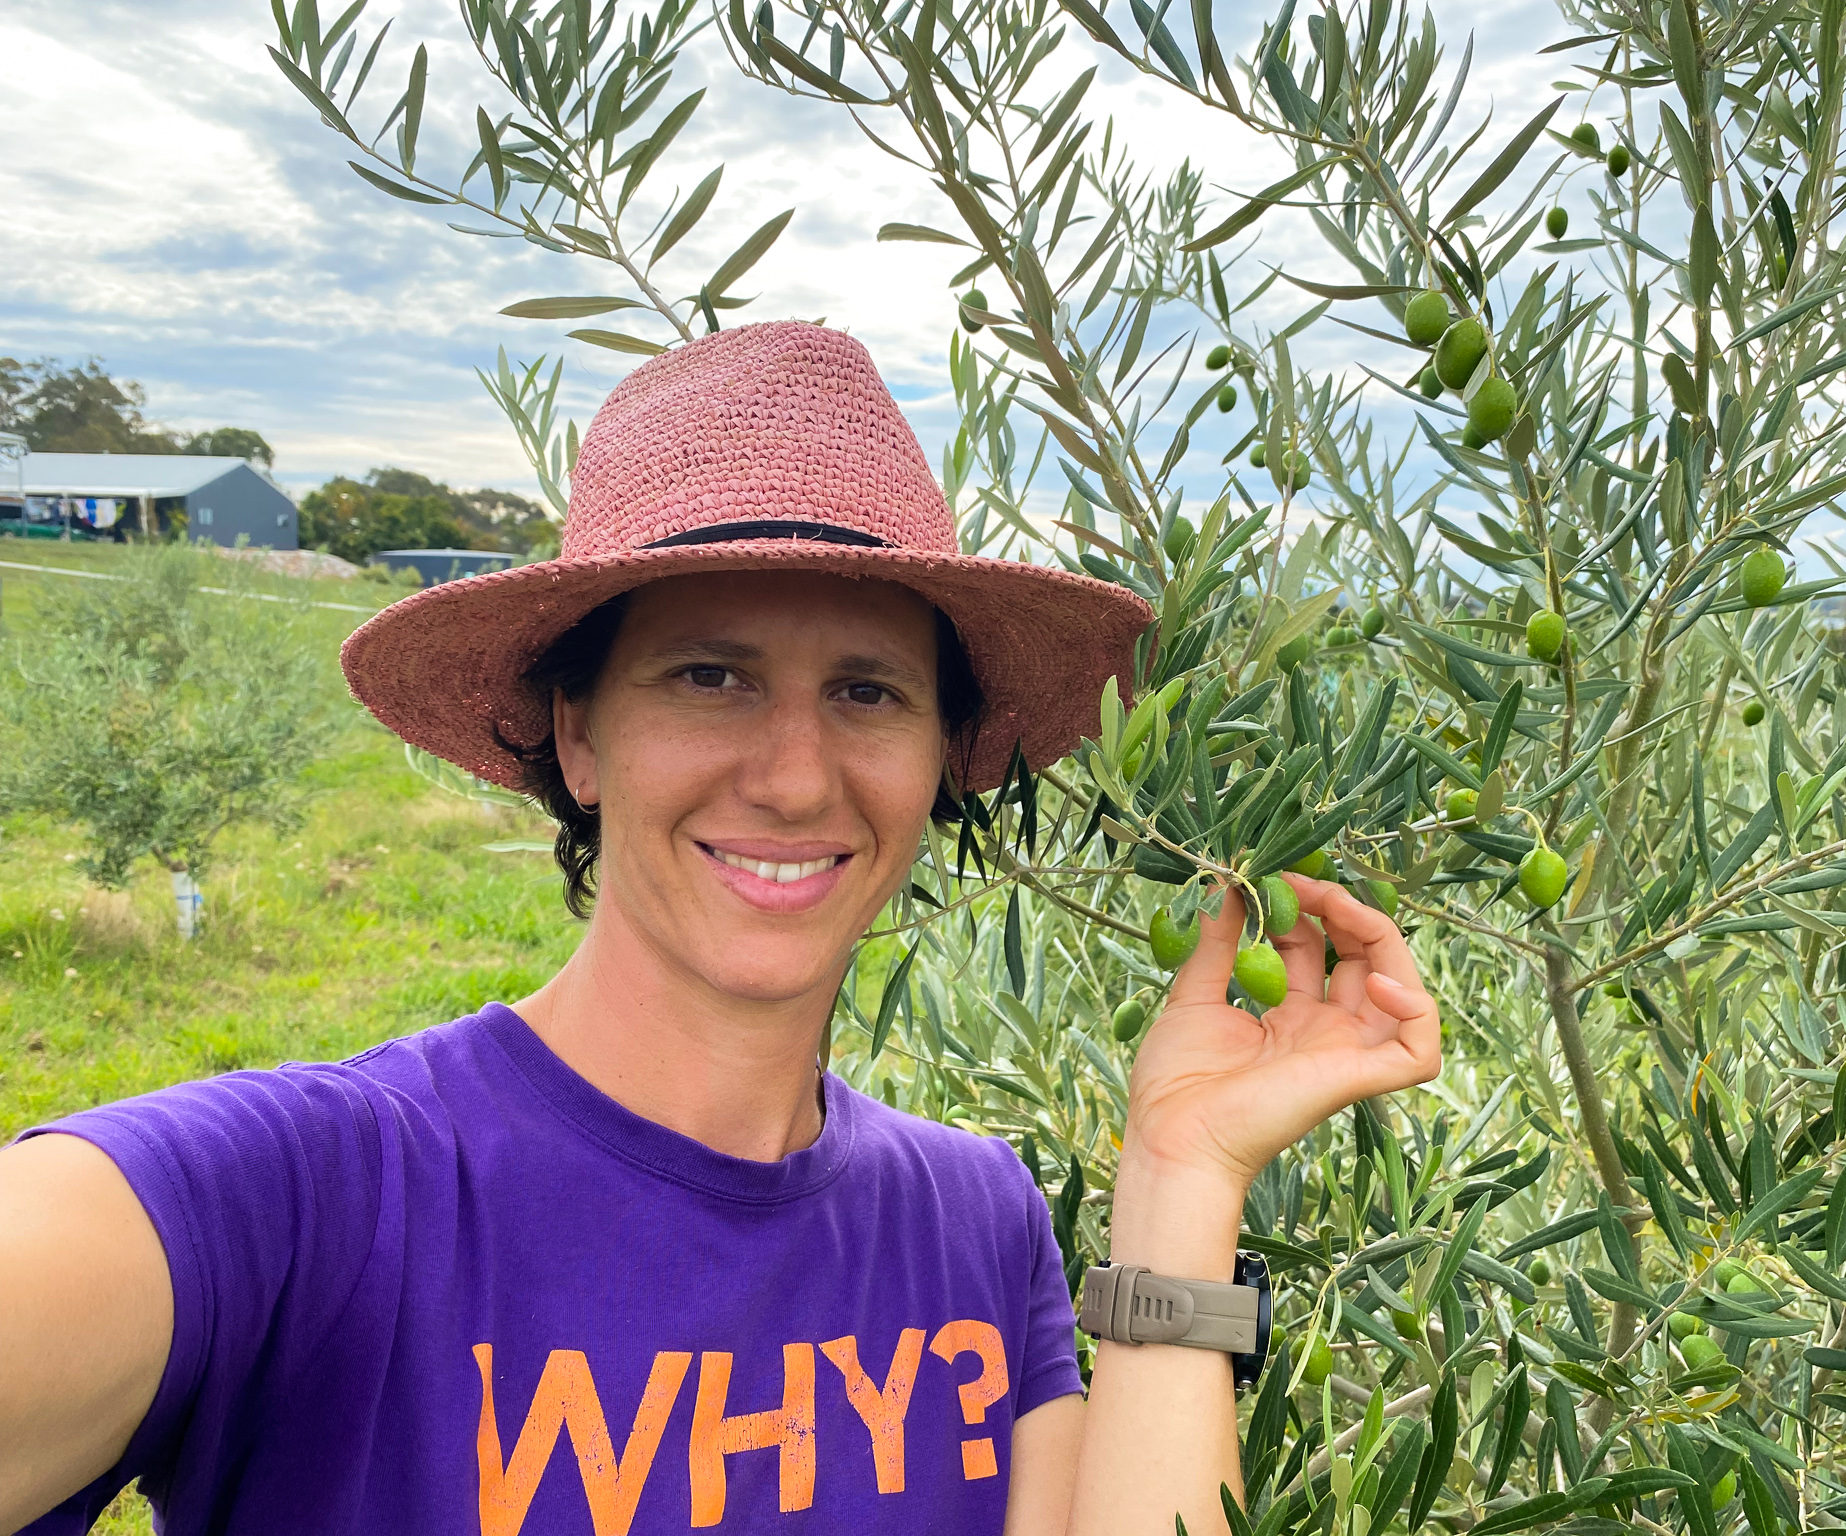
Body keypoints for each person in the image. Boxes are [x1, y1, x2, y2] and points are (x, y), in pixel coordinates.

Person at [0, 322, 1441, 1536]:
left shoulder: (971, 1221)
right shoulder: (309, 1196)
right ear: (577, 735)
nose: (798, 777)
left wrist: (1184, 1175)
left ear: (940, 758)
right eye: (710, 676)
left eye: (869, 692)